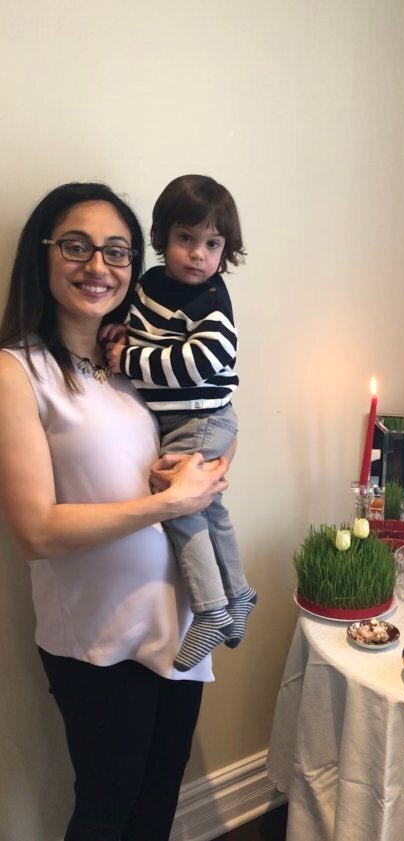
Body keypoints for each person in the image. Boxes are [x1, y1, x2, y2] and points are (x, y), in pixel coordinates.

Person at [0, 182, 231, 841]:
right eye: (77, 246)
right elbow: (35, 530)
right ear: (42, 255)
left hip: (179, 620)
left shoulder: (134, 358)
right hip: (97, 638)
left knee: (159, 799)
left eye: (117, 251)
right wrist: (166, 502)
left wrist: (210, 466)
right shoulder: (18, 370)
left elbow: (215, 416)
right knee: (107, 807)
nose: (98, 266)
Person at [101, 175, 256, 672]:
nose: (197, 254)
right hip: (188, 421)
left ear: (225, 250)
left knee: (180, 504)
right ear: (163, 237)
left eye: (212, 244)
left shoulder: (212, 302)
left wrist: (130, 361)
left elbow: (197, 363)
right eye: (186, 239)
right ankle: (238, 592)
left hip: (204, 417)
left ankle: (210, 609)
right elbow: (143, 326)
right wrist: (121, 329)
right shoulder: (151, 284)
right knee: (210, 509)